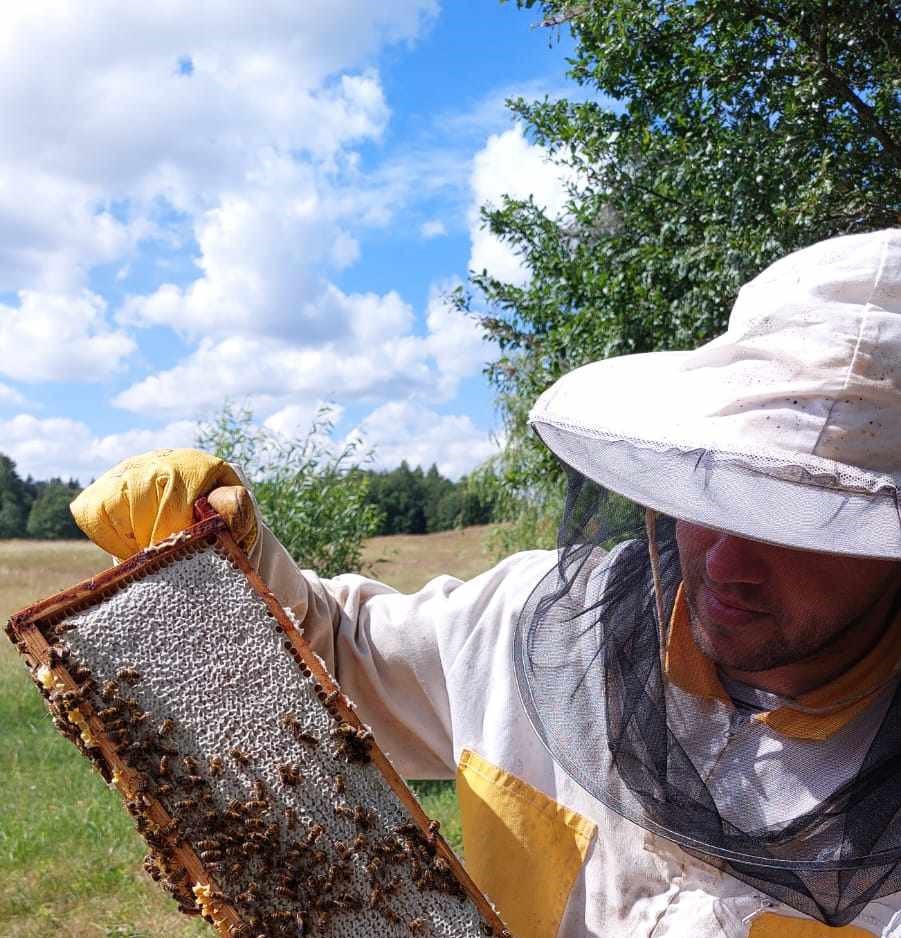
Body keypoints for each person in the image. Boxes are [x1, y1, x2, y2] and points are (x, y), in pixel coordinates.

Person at [72, 228, 901, 938]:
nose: (722, 562)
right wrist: (240, 565)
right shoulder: (534, 622)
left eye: (804, 526)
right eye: (713, 492)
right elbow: (338, 665)